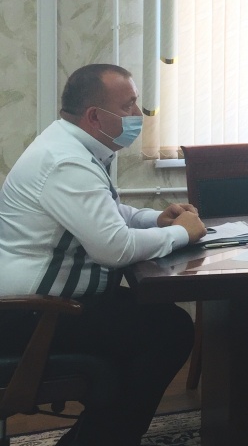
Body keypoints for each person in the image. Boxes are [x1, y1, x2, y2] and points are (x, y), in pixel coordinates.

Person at [0, 64, 207, 446]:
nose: (138, 114)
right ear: (95, 116)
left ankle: (100, 435)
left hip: (48, 304)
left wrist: (155, 219)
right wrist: (181, 233)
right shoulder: (66, 162)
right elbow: (114, 248)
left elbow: (106, 212)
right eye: (128, 106)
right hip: (32, 315)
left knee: (158, 320)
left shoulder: (72, 145)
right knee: (171, 330)